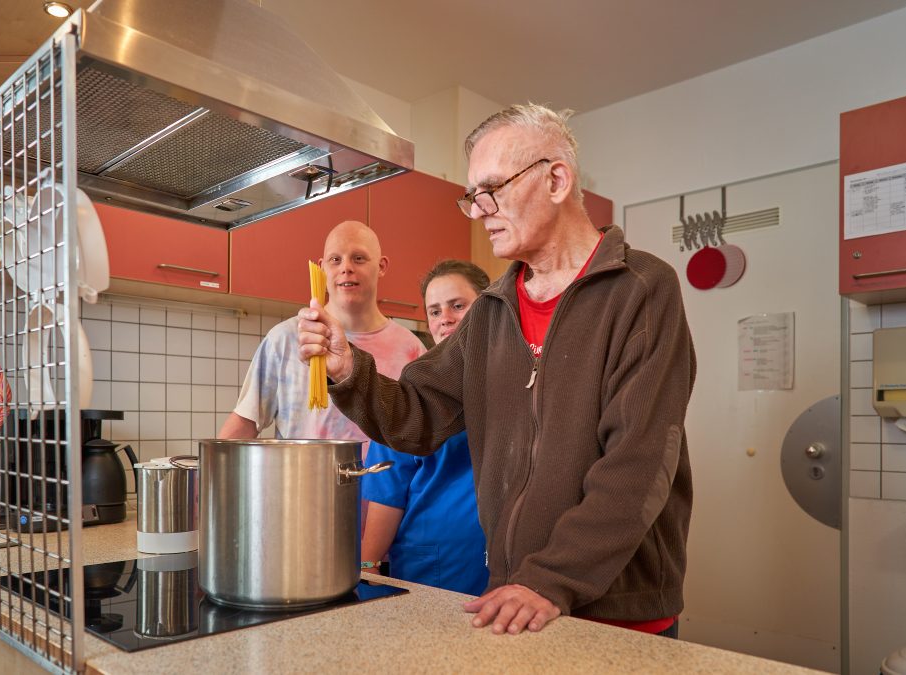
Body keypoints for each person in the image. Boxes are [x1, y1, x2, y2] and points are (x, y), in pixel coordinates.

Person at [297, 104, 695, 637]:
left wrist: (552, 578)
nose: (479, 209)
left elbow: (639, 459)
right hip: (517, 599)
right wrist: (350, 371)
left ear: (556, 180)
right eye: (472, 196)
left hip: (617, 611)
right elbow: (417, 416)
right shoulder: (490, 310)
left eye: (492, 189)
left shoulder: (642, 289)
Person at [219, 220, 426, 443]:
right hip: (304, 477)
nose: (346, 267)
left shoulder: (411, 349)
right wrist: (211, 471)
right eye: (335, 260)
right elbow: (245, 423)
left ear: (382, 266)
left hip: (385, 477)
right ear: (322, 268)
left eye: (359, 258)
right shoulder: (287, 339)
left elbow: (422, 432)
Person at [360, 260, 491, 596]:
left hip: (506, 570)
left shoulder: (517, 383)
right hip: (433, 569)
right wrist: (367, 567)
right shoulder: (411, 393)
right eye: (434, 311)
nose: (444, 317)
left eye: (458, 305)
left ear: (490, 306)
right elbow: (387, 491)